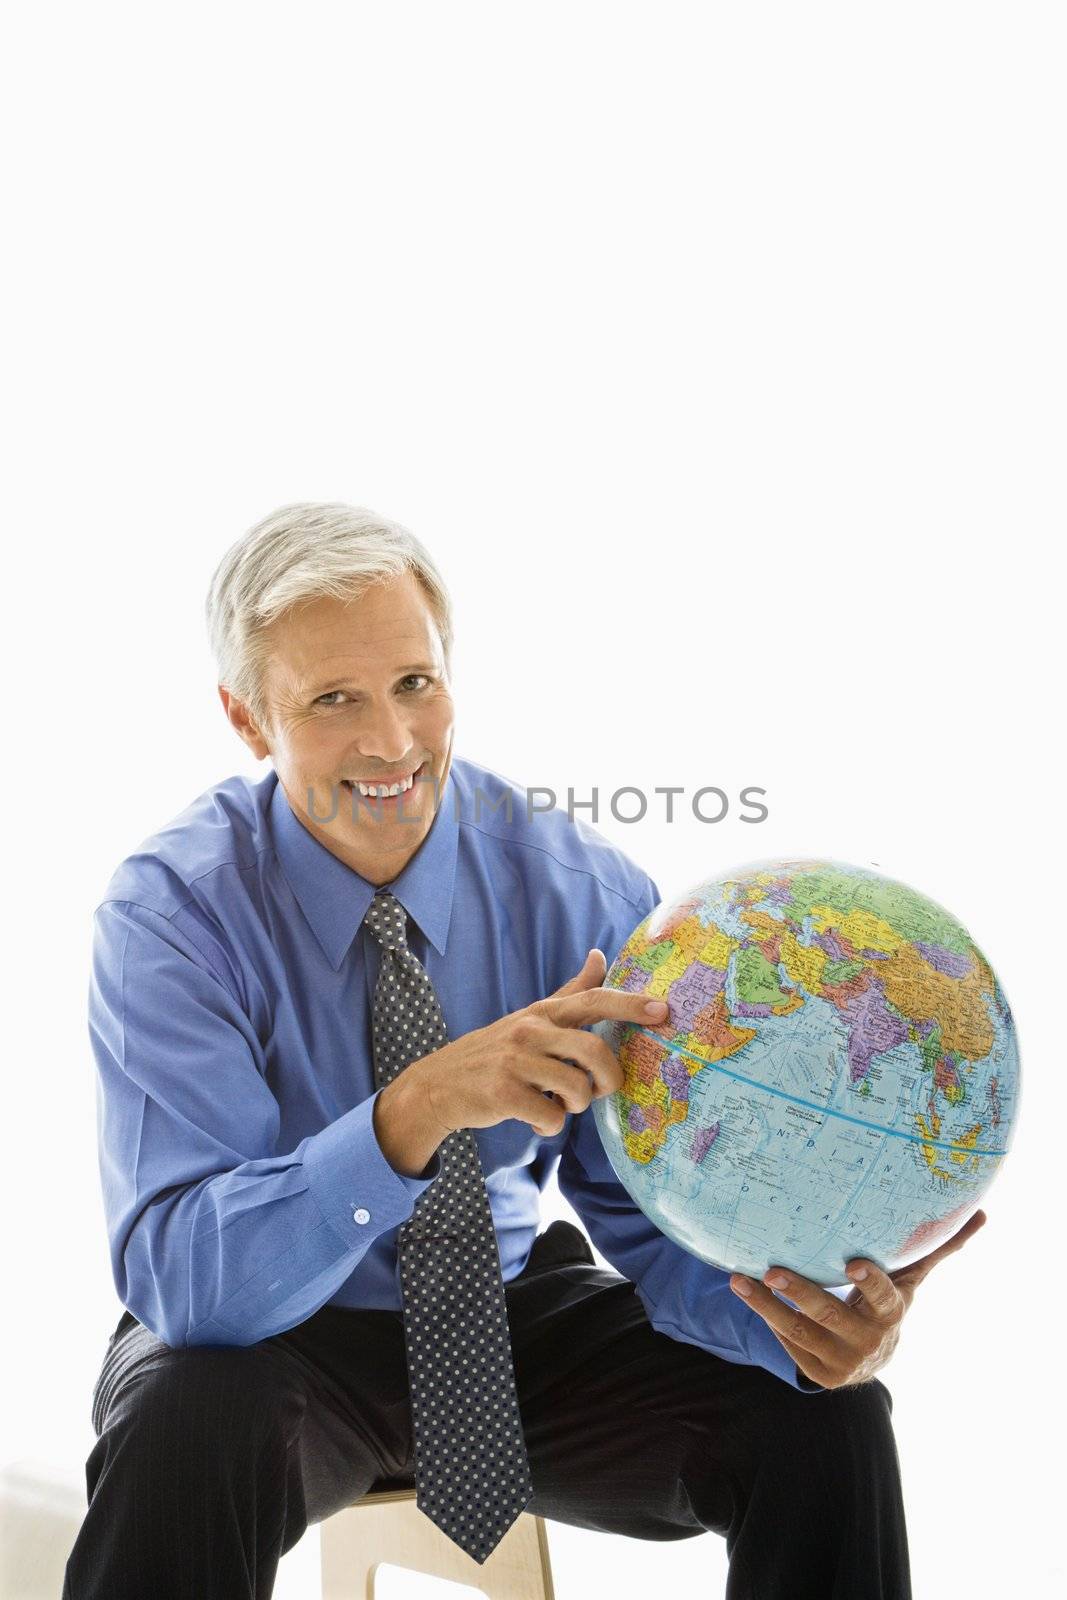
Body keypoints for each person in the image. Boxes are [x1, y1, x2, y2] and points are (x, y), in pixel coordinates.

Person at [64, 501, 980, 1599]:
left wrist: (801, 1324)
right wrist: (407, 1117)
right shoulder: (174, 915)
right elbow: (185, 1275)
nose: (392, 743)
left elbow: (647, 1210)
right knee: (181, 1416)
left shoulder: (582, 894)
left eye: (414, 682)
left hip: (505, 1315)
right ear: (247, 719)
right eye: (331, 700)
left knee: (824, 1415)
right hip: (275, 1334)